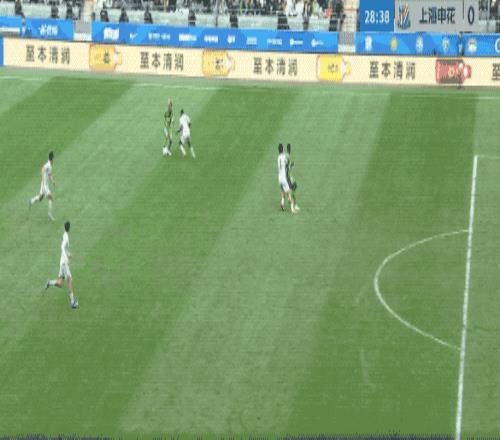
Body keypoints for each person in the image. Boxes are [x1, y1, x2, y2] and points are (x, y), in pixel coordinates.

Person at [45, 221, 78, 309]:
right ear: (69, 228)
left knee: (60, 283)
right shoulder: (66, 237)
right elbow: (62, 247)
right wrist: (66, 257)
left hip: (62, 263)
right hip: (64, 263)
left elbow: (65, 248)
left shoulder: (65, 235)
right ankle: (72, 302)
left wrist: (68, 253)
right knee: (70, 280)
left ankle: (49, 282)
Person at [29, 151, 56, 221]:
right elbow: (42, 169)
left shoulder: (50, 166)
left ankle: (31, 201)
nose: (54, 159)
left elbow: (49, 175)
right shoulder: (48, 165)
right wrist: (43, 179)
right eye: (53, 158)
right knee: (51, 198)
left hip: (44, 184)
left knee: (40, 198)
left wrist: (53, 181)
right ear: (52, 158)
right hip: (44, 185)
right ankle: (49, 215)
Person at [278, 143, 298, 213]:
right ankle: (293, 209)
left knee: (283, 191)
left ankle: (282, 203)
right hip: (284, 178)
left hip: (279, 178)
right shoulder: (284, 157)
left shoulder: (278, 157)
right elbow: (287, 165)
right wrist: (291, 164)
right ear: (283, 149)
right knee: (289, 193)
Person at [286, 143, 299, 209]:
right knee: (292, 189)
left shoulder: (286, 158)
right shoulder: (286, 162)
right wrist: (291, 165)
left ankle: (291, 200)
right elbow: (287, 169)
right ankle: (293, 204)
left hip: (289, 178)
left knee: (294, 187)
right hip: (287, 179)